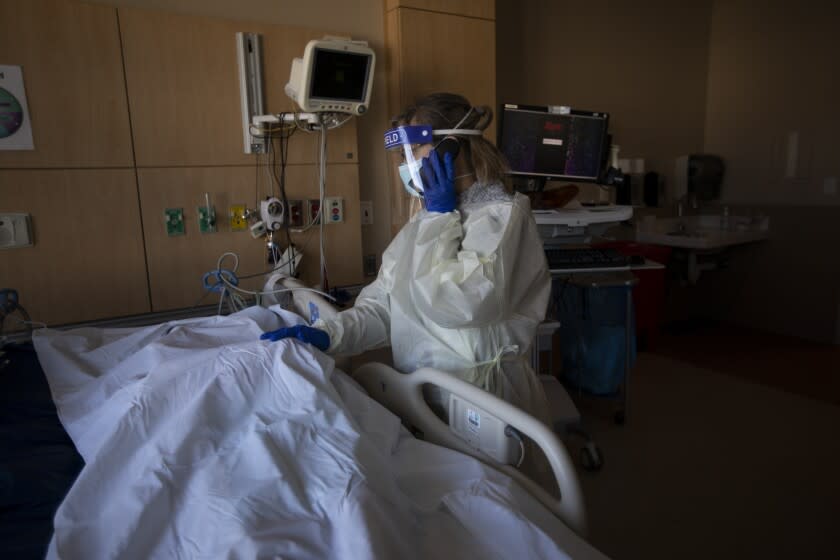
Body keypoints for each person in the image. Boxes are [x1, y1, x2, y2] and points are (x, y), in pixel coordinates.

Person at [262, 92, 552, 423]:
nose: (404, 164)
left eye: (411, 151)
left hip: (486, 404)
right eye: (400, 154)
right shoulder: (423, 224)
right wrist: (330, 334)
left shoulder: (501, 218)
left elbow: (457, 304)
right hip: (425, 403)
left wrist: (439, 218)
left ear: (451, 146)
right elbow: (384, 307)